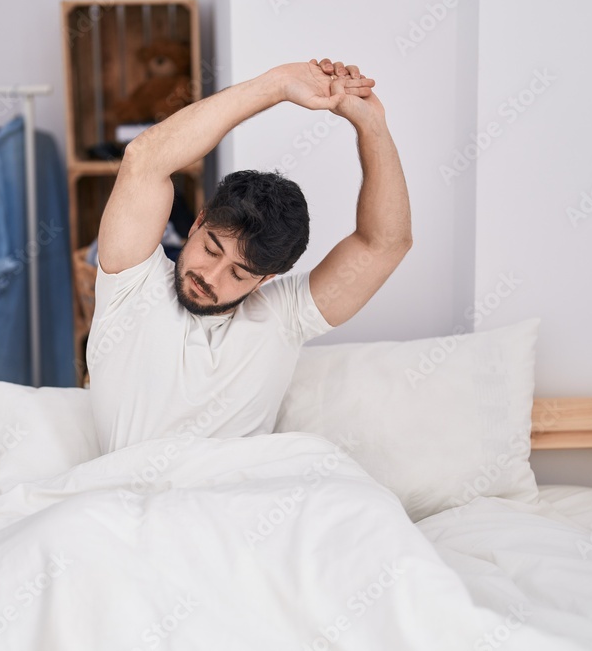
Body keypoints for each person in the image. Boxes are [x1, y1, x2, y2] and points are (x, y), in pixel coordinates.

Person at [86, 57, 412, 453]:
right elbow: (145, 159)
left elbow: (384, 243)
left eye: (240, 274)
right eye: (211, 249)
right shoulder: (130, 281)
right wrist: (275, 86)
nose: (212, 276)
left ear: (265, 279)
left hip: (241, 503)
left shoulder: (284, 315)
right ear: (197, 223)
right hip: (132, 503)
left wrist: (371, 125)